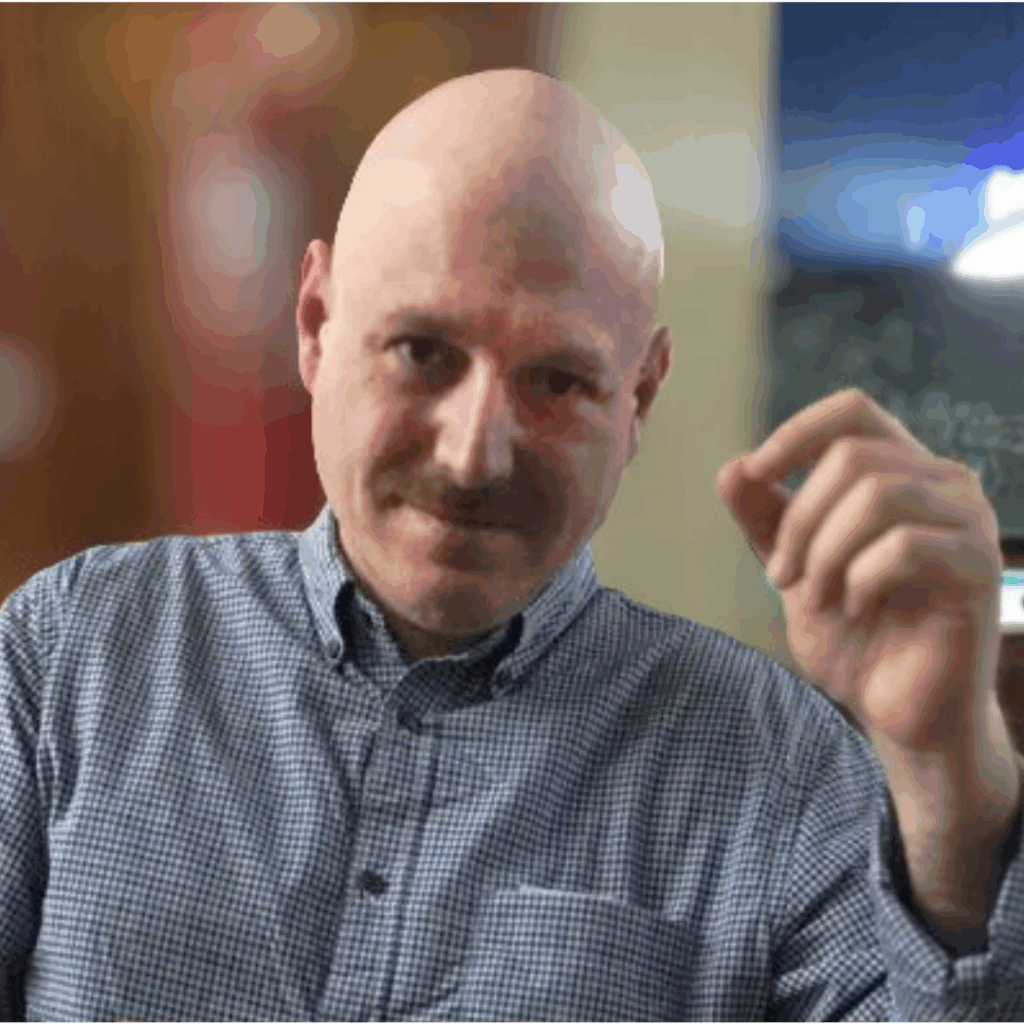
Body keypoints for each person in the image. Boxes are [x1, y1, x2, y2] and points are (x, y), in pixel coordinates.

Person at [2, 66, 1023, 1022]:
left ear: (639, 397)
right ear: (315, 324)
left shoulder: (781, 769)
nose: (474, 455)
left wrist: (951, 776)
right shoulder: (72, 653)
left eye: (557, 380)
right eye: (422, 351)